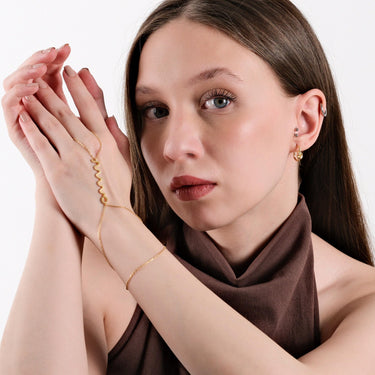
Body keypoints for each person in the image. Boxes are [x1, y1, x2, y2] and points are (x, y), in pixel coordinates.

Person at [1, 0, 374, 373]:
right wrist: (57, 185)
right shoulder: (102, 281)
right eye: (156, 111)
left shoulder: (363, 305)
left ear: (305, 121)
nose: (173, 147)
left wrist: (110, 218)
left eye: (219, 100)